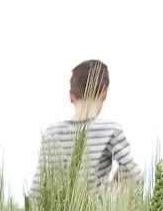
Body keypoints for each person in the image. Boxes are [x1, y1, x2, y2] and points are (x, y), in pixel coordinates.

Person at [30, 59, 142, 195]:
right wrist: (108, 190)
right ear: (105, 91)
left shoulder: (51, 133)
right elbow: (133, 174)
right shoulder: (110, 130)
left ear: (71, 96)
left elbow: (37, 187)